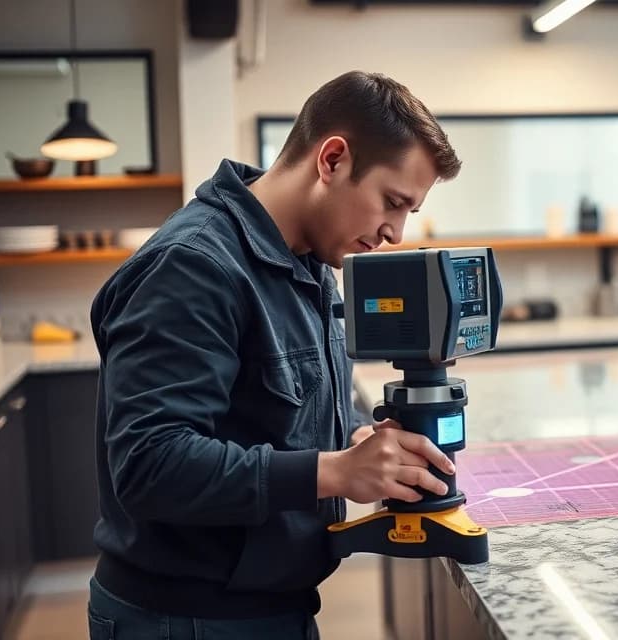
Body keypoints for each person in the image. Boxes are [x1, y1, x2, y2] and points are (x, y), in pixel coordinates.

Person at [86, 70, 462, 639]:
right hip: (186, 621)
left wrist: (353, 437)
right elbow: (149, 464)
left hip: (270, 609)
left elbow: (279, 408)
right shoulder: (194, 266)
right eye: (392, 202)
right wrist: (335, 471)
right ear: (332, 159)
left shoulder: (310, 259)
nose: (395, 232)